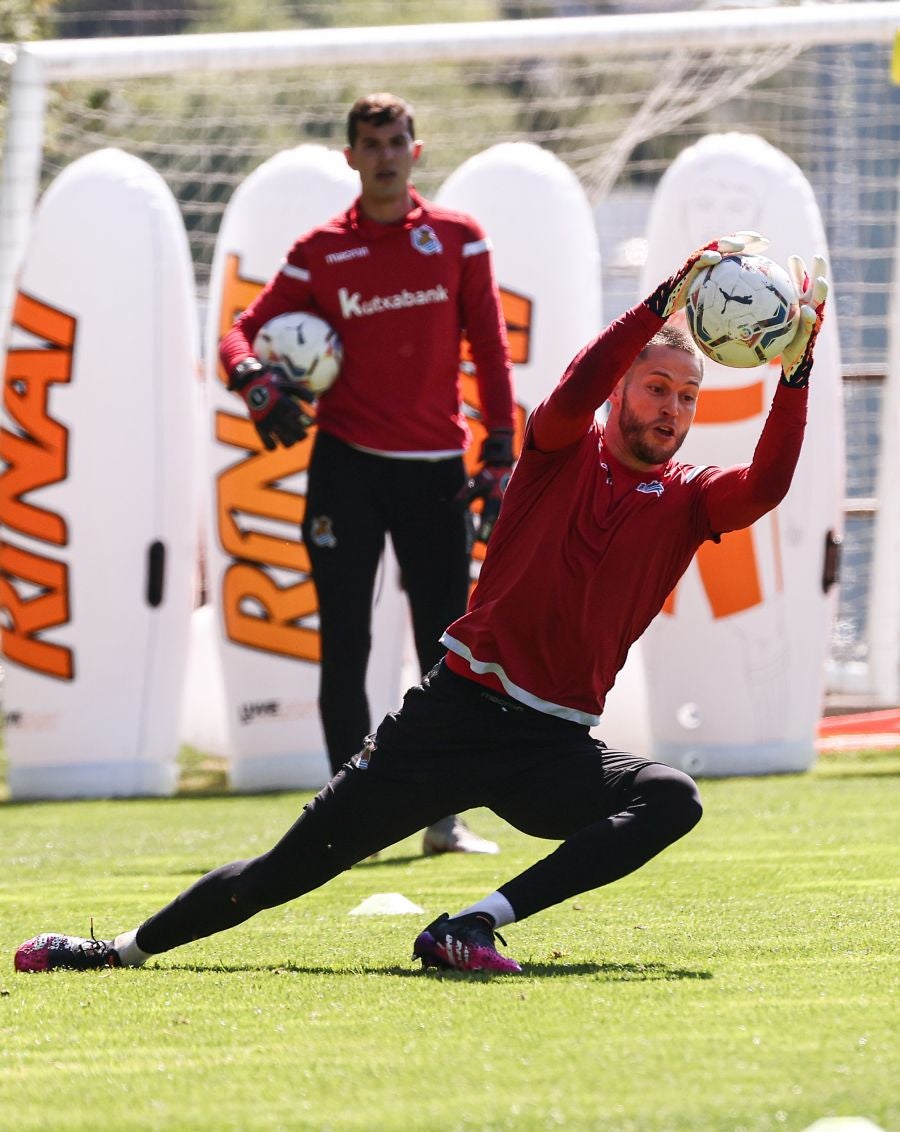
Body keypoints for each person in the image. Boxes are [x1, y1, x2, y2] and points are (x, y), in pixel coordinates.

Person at [14, 233, 828, 976]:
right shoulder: (556, 447)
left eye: (689, 399)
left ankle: (471, 924)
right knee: (282, 875)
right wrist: (662, 298)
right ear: (623, 390)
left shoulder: (687, 499)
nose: (673, 411)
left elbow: (767, 486)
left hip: (551, 742)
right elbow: (580, 385)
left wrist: (796, 369)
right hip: (454, 716)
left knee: (670, 798)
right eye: (657, 388)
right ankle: (113, 950)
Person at [219, 93, 517, 856]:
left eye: (396, 141)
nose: (384, 155)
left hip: (436, 474)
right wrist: (251, 377)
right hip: (345, 469)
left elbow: (490, 350)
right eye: (370, 144)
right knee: (344, 645)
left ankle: (441, 820)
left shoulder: (459, 239)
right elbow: (238, 331)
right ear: (349, 157)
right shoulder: (320, 249)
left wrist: (501, 450)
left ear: (416, 151)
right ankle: (345, 825)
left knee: (445, 654)